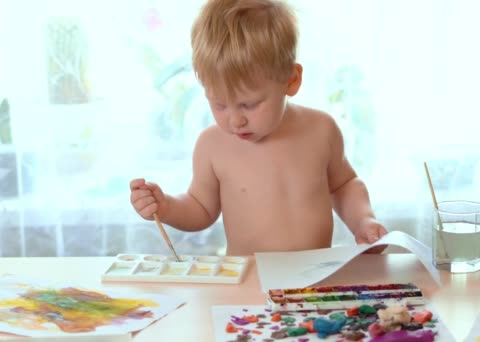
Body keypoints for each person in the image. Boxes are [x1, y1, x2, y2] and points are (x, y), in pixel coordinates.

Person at [130, 0, 387, 255]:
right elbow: (201, 209)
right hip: (250, 279)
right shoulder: (212, 146)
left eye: (249, 105)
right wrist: (165, 207)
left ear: (291, 80)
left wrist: (363, 220)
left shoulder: (321, 130)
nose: (235, 120)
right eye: (219, 104)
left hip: (314, 279)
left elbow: (345, 185)